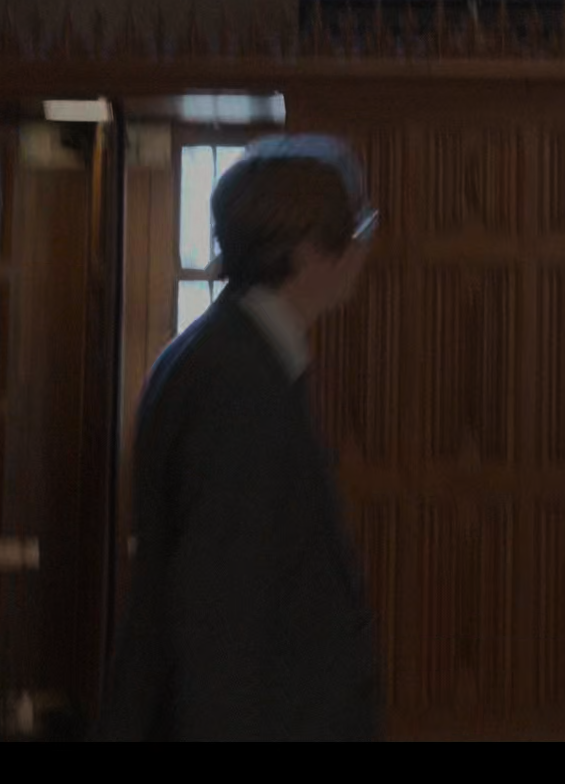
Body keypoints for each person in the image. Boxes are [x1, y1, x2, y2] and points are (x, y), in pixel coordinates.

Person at [98, 135, 383, 740]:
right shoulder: (237, 381)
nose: (363, 250)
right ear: (309, 250)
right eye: (357, 231)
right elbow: (221, 611)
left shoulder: (227, 353)